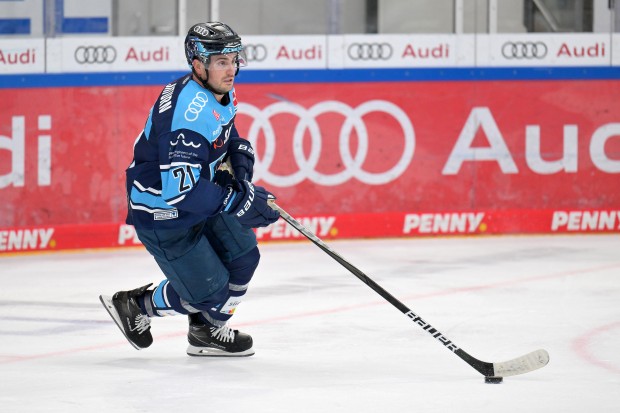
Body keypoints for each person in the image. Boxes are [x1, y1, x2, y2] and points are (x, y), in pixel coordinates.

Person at [99, 22, 280, 357]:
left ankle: (206, 330)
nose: (232, 68)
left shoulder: (216, 87)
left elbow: (224, 129)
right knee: (208, 296)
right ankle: (136, 305)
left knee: (244, 258)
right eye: (221, 61)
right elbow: (178, 191)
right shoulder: (187, 112)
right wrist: (235, 200)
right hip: (164, 212)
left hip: (201, 196)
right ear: (198, 63)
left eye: (234, 59)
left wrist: (239, 161)